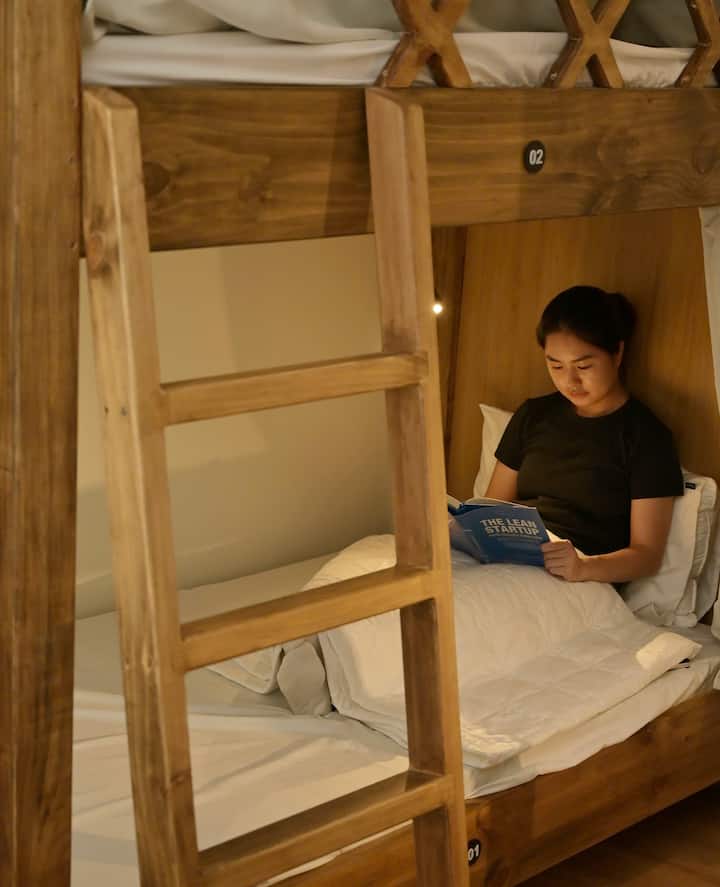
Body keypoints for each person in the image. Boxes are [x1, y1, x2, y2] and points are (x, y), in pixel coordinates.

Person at [485, 285, 684, 583]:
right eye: (556, 366)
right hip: (513, 556)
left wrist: (583, 567)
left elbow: (646, 556)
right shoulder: (533, 414)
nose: (570, 381)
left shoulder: (647, 437)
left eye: (584, 366)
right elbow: (492, 509)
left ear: (617, 353)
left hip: (579, 574)